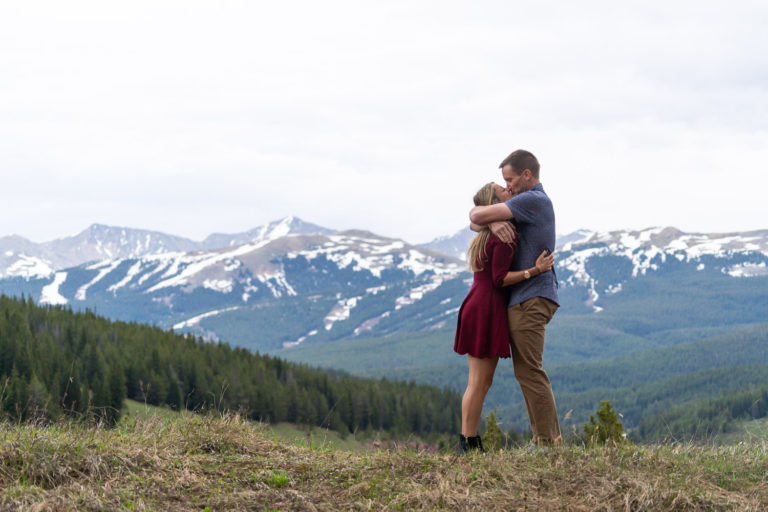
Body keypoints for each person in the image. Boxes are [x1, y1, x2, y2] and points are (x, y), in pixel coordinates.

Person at [469, 149, 561, 447]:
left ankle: (548, 443)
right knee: (526, 371)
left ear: (526, 174)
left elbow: (475, 214)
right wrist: (492, 223)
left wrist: (488, 219)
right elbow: (476, 218)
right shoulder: (526, 203)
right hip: (527, 296)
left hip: (530, 296)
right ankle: (542, 439)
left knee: (530, 371)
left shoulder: (532, 200)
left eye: (510, 179)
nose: (508, 186)